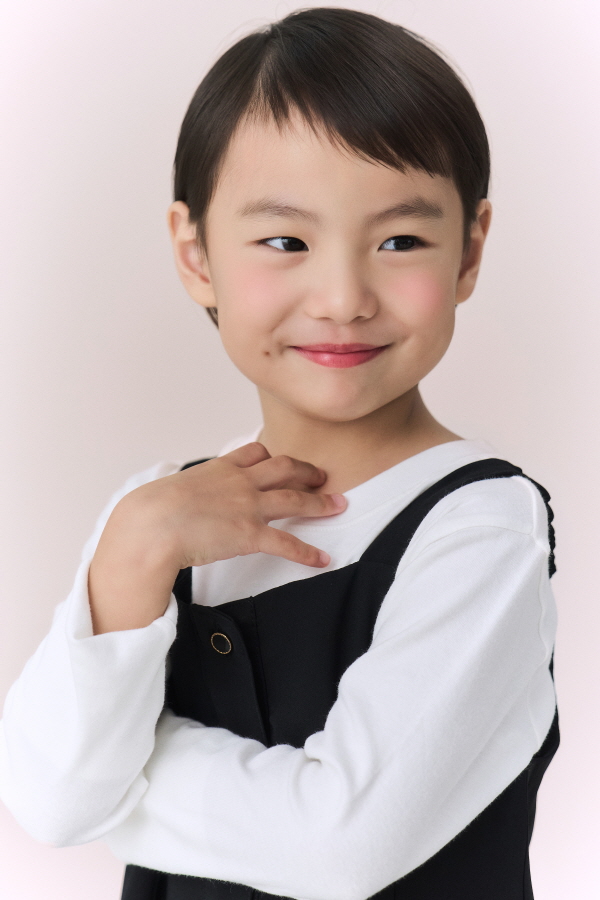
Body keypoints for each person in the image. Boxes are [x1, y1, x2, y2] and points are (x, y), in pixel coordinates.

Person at [0, 8, 559, 900]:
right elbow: (45, 798)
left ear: (469, 251)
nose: (342, 297)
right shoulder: (159, 515)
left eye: (400, 241)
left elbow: (339, 846)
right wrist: (134, 549)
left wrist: (119, 781)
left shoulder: (480, 525)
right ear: (196, 255)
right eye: (286, 242)